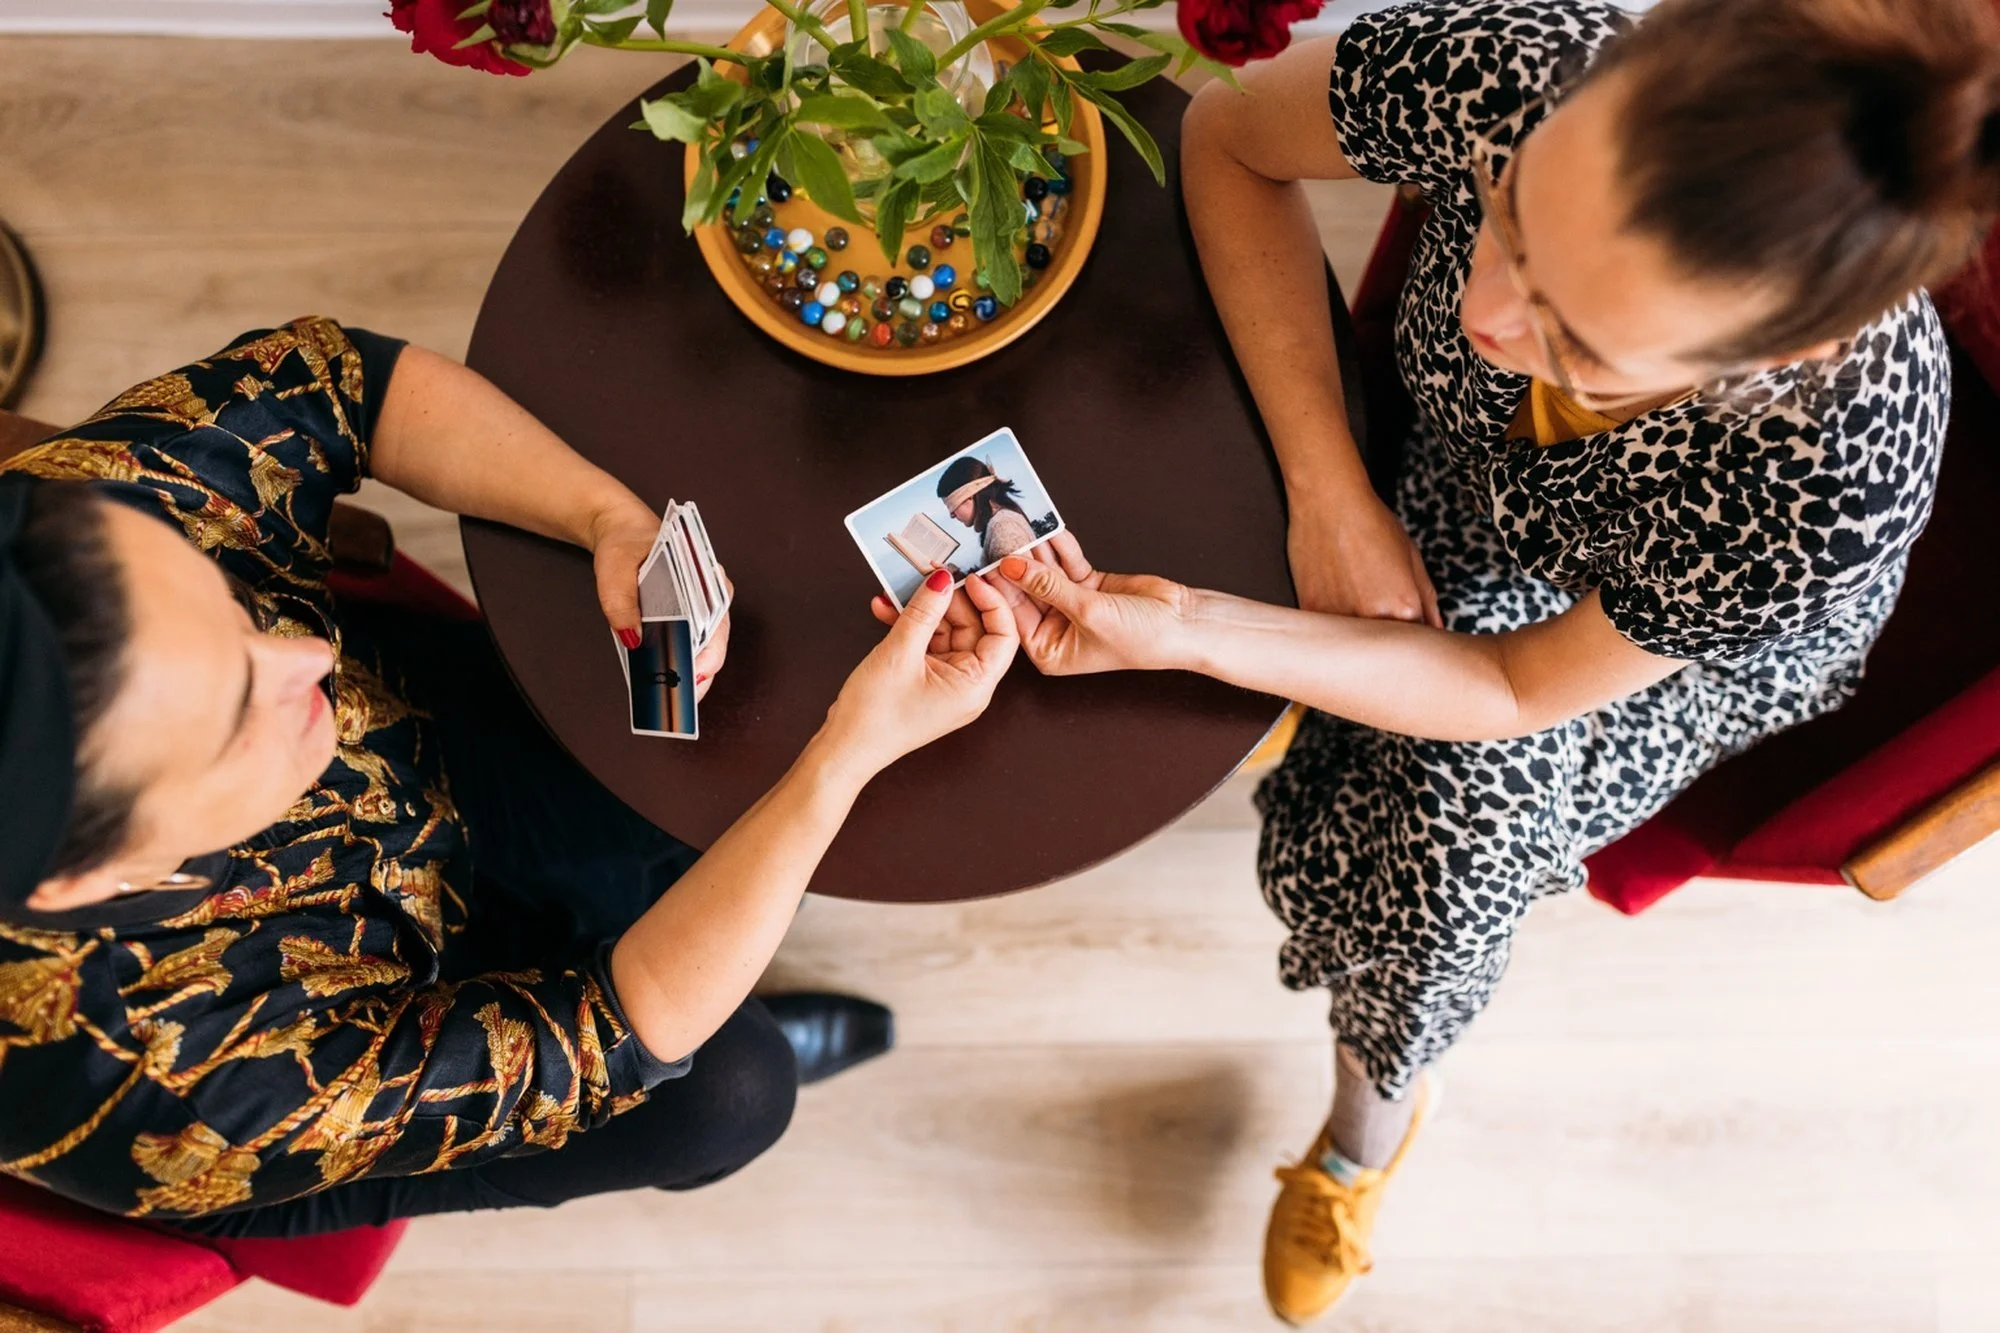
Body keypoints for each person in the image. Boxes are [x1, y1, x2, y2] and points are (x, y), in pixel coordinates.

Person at [977, 0, 1996, 1322]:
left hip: (1647, 642)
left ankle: (1368, 1114)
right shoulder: (1528, 59)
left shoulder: (1824, 486)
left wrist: (1189, 631)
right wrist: (1329, 487)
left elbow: (1514, 690)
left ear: (1774, 358)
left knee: (1455, 848)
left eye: (1581, 338)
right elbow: (1229, 142)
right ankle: (1318, 706)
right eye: (1510, 214)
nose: (1483, 312)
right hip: (1438, 481)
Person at [0, 318, 1019, 1237]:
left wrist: (604, 520)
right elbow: (611, 1032)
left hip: (407, 759)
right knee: (731, 1089)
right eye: (230, 718)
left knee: (699, 747)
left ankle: (688, 892)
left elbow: (343, 382)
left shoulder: (93, 519)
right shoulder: (188, 1080)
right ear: (77, 881)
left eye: (233, 615)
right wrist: (842, 756)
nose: (308, 658)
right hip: (323, 1060)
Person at [938, 455, 1040, 568]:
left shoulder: (1003, 529)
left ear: (969, 496)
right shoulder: (1002, 521)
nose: (951, 515)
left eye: (951, 506)